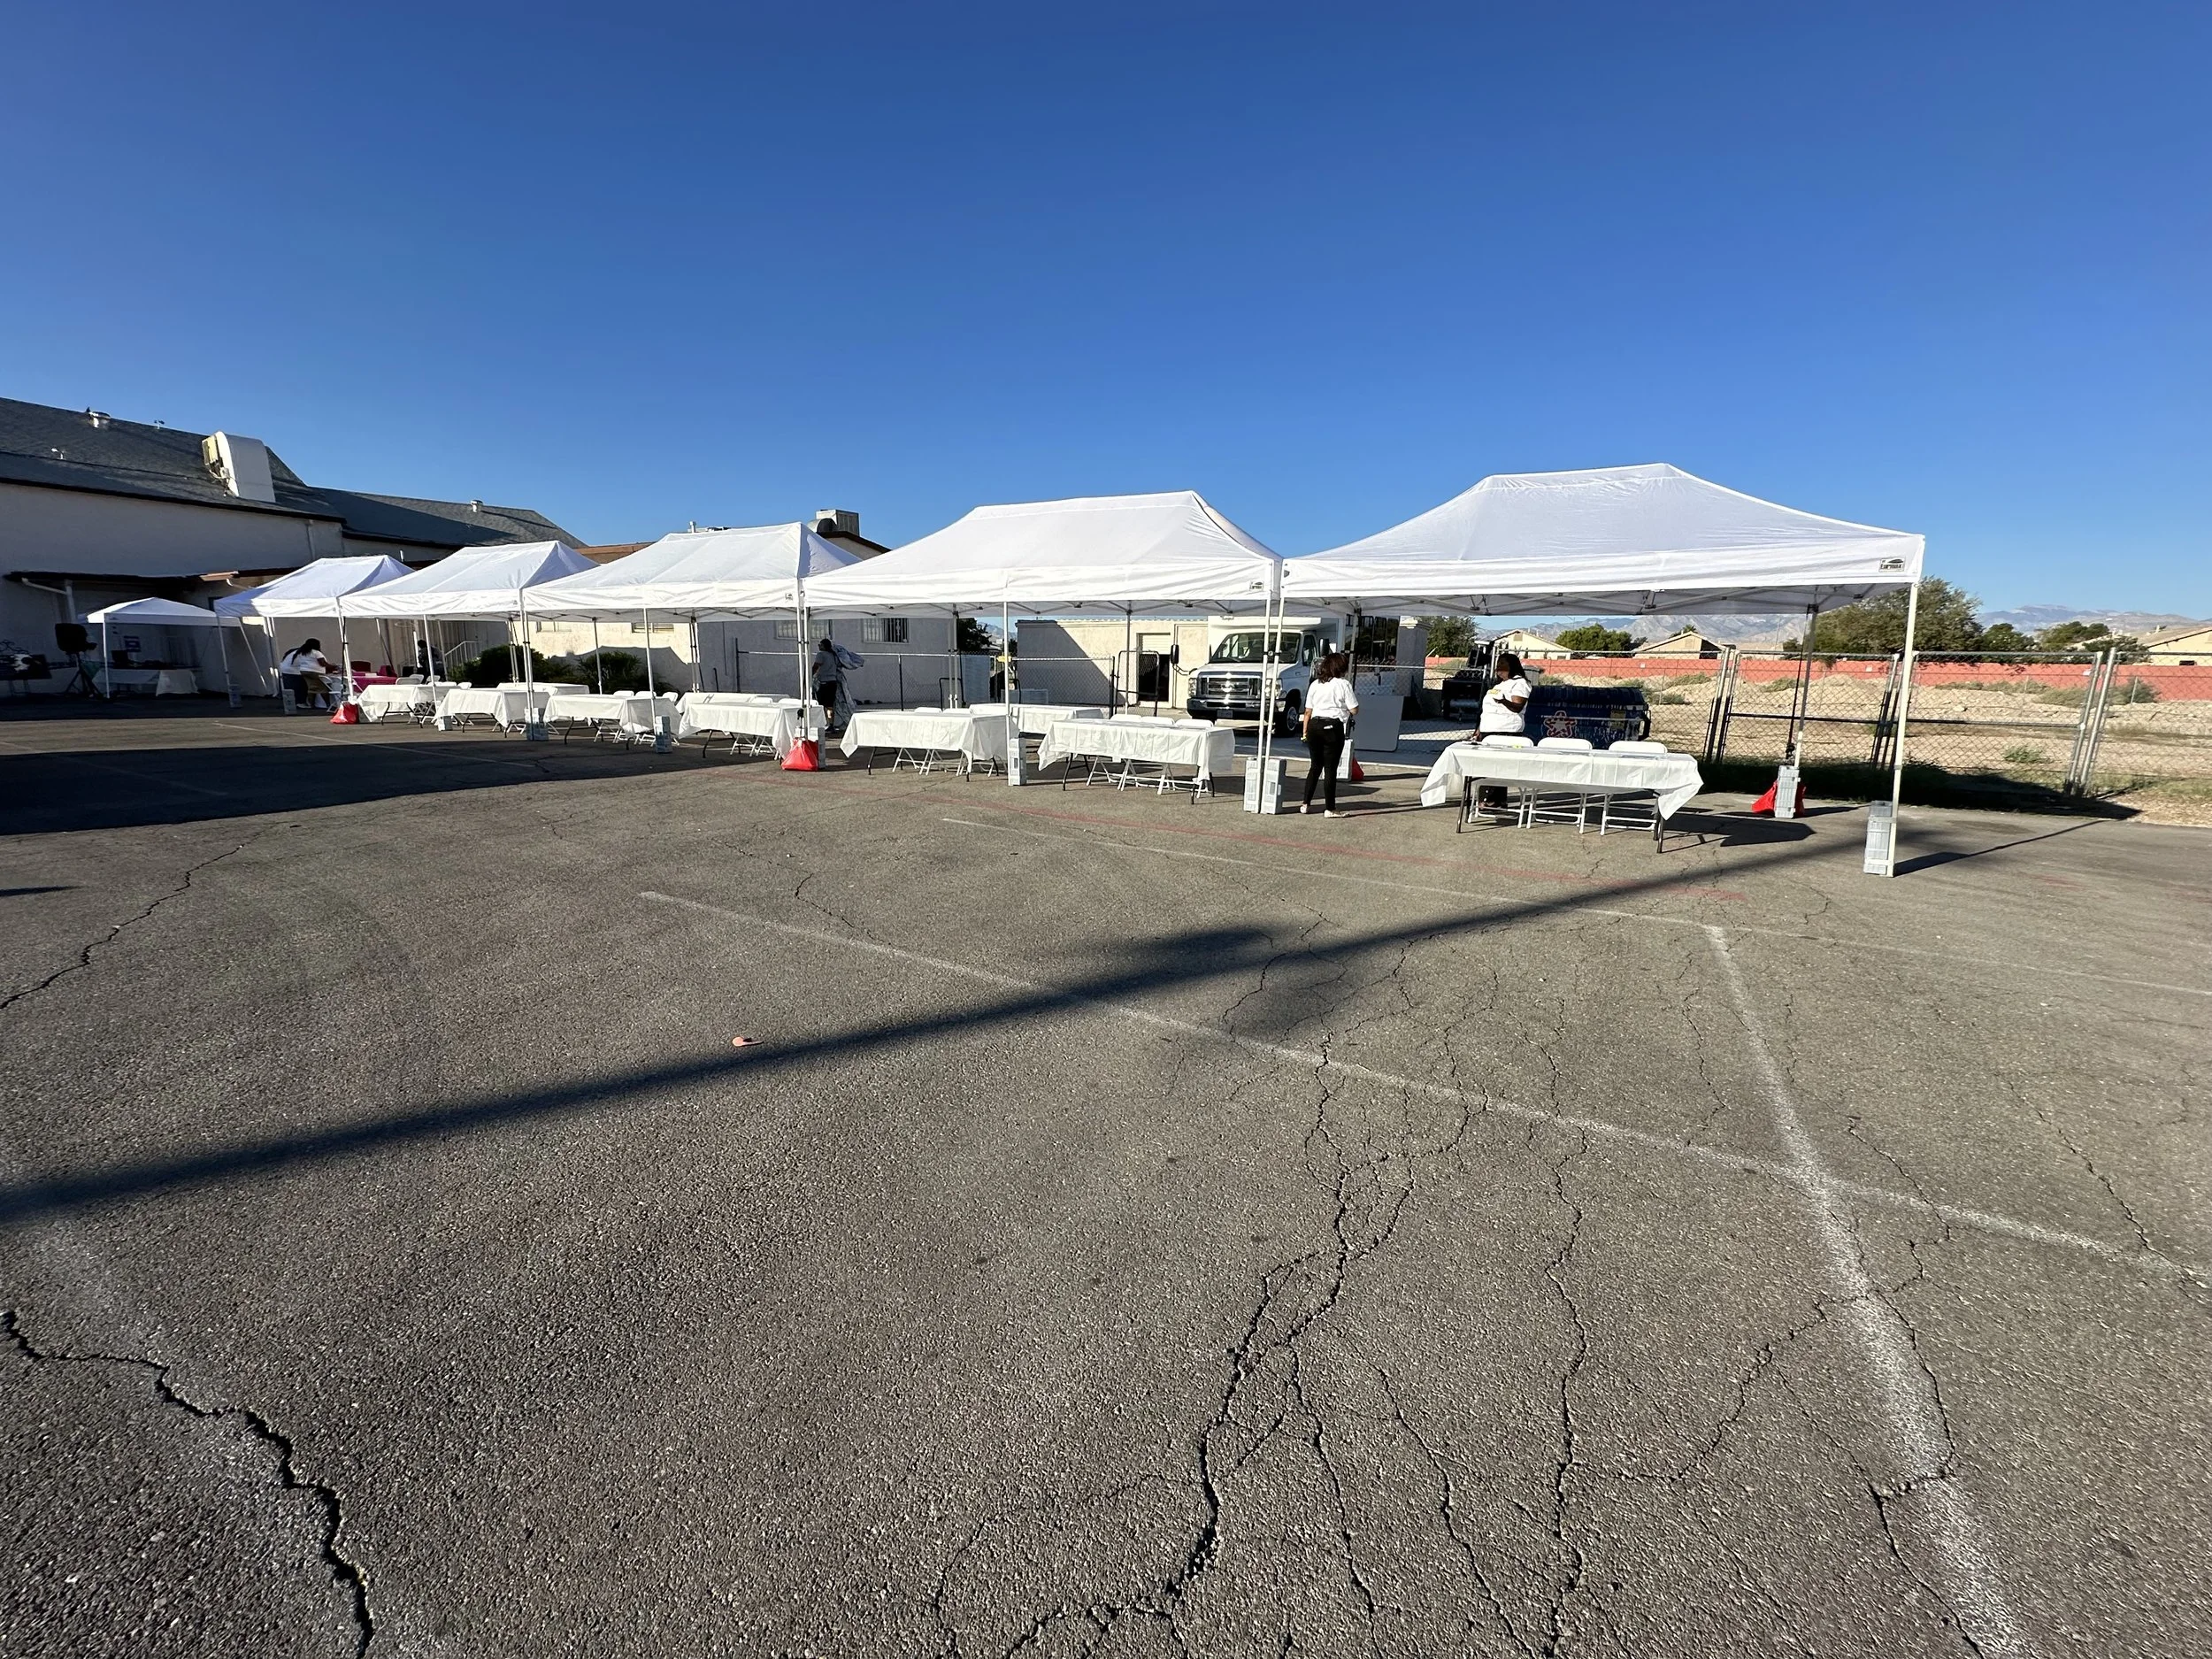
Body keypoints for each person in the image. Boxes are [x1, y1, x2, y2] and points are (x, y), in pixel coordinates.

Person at [1300, 652, 1358, 817]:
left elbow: (1308, 711)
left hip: (1313, 726)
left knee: (1315, 766)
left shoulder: (1315, 684)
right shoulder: (1343, 684)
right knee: (1330, 769)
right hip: (1333, 726)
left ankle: (1305, 803)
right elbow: (1354, 709)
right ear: (1340, 668)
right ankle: (1330, 808)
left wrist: (1305, 731)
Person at [1475, 651, 1534, 810]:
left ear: (1511, 667)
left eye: (1502, 667)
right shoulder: (1499, 685)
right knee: (1488, 765)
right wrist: (1480, 729)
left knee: (1497, 766)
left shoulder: (1520, 683)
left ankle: (1493, 800)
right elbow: (1488, 709)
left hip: (1506, 731)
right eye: (1497, 667)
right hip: (1489, 729)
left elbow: (1517, 707)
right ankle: (1495, 800)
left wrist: (1503, 701)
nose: (1499, 671)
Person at [279, 638, 339, 711]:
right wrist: (333, 666)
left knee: (311, 688)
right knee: (323, 689)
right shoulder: (316, 652)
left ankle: (311, 705)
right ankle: (328, 705)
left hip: (304, 671)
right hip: (314, 672)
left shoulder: (302, 652)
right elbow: (322, 663)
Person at [811, 636, 845, 730]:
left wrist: (810, 674)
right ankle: (831, 724)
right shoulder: (833, 655)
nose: (819, 646)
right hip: (833, 682)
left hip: (824, 682)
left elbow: (816, 666)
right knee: (830, 705)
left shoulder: (821, 655)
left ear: (824, 646)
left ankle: (824, 722)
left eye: (820, 645)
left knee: (821, 704)